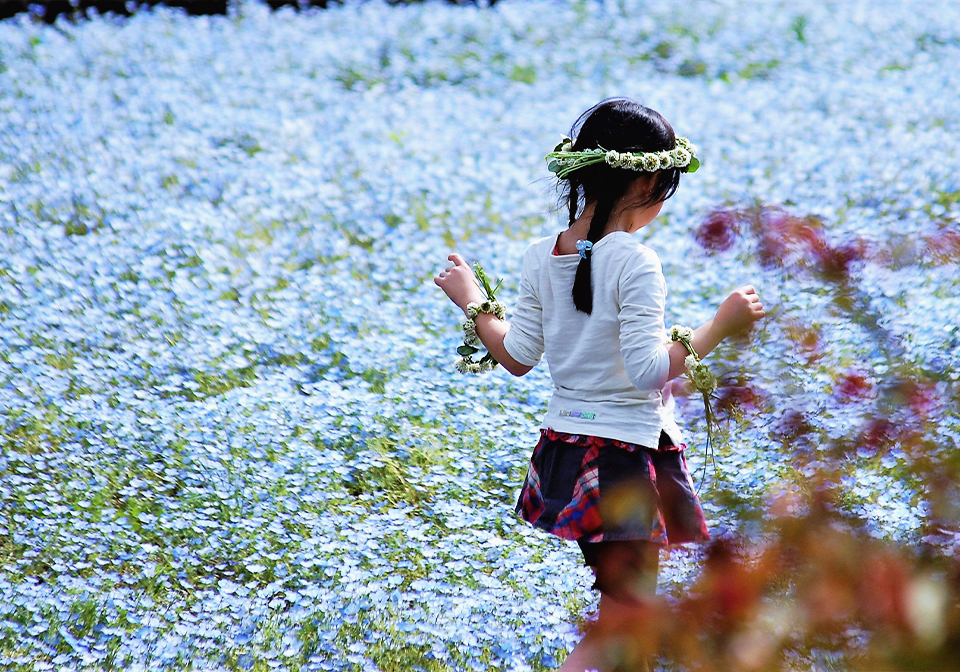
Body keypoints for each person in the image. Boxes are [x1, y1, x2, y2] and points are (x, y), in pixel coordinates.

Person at [435, 98, 765, 671]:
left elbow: (517, 357)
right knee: (627, 612)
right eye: (666, 187)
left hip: (569, 451)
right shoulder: (636, 261)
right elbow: (647, 372)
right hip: (623, 460)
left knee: (628, 609)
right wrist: (720, 325)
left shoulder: (542, 255)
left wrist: (470, 299)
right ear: (645, 181)